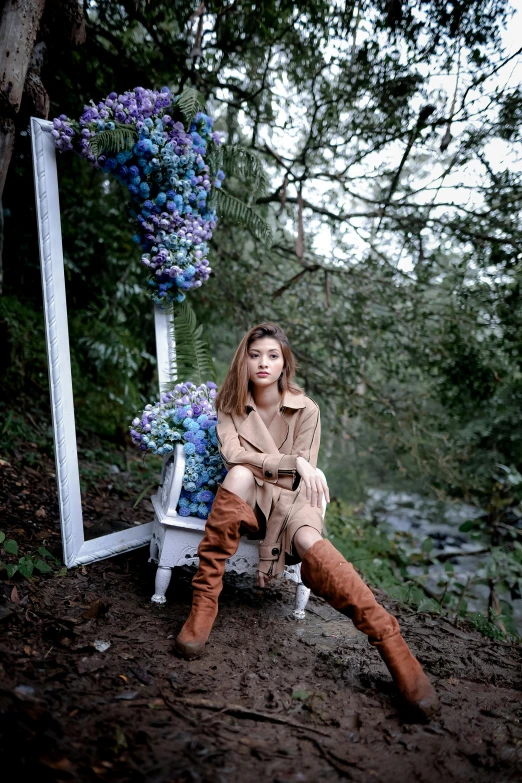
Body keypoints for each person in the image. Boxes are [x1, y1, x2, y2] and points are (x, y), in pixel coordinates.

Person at [176, 322, 439, 720]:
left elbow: (298, 480)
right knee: (239, 475)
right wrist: (291, 461)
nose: (263, 363)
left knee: (312, 546)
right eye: (255, 354)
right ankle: (204, 602)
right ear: (243, 361)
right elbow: (234, 456)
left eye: (273, 355)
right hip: (250, 502)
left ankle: (391, 642)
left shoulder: (307, 409)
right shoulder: (229, 406)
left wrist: (292, 465)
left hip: (293, 502)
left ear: (285, 364)